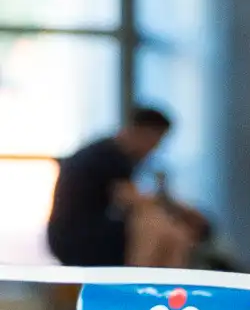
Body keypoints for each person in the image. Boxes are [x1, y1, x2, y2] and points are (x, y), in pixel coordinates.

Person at [46, 108, 188, 268]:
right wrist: (175, 209)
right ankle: (138, 285)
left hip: (75, 234)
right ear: (145, 134)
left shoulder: (108, 151)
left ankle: (157, 285)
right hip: (76, 238)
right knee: (154, 226)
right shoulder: (109, 155)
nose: (154, 150)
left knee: (171, 231)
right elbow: (132, 200)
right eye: (155, 142)